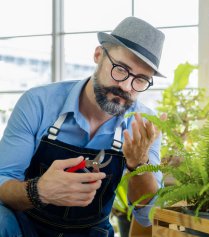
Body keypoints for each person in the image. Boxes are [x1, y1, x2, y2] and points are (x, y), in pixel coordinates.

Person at [0, 16, 165, 236]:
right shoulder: (38, 103)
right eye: (120, 69)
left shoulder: (144, 125)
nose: (126, 86)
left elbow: (147, 215)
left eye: (141, 79)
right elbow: (2, 182)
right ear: (98, 55)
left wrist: (139, 163)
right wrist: (38, 191)